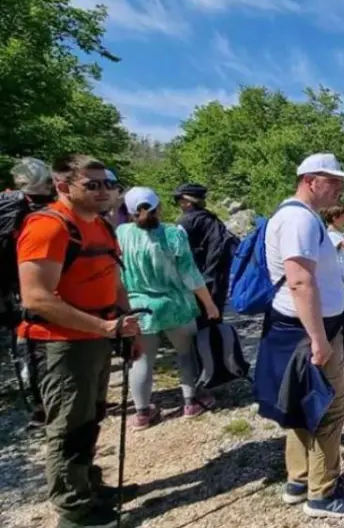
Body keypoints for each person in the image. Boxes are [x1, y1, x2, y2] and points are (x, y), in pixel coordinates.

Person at [16, 154, 142, 528]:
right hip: (60, 344)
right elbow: (36, 297)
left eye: (108, 183)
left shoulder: (102, 228)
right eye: (93, 184)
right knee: (69, 428)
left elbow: (114, 282)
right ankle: (74, 513)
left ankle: (87, 486)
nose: (104, 191)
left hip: (96, 338)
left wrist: (126, 325)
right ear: (63, 186)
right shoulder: (48, 227)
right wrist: (103, 328)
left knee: (90, 418)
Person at [258, 152, 344, 518]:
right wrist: (320, 339)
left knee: (303, 400)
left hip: (302, 328)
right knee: (329, 406)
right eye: (332, 180)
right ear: (310, 180)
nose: (339, 187)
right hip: (310, 331)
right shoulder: (298, 220)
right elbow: (301, 281)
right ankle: (322, 494)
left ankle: (299, 479)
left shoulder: (296, 216)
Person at [116, 187, 219, 430]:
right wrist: (209, 303)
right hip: (176, 306)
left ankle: (142, 413)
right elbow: (191, 275)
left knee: (141, 360)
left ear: (128, 212)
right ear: (159, 207)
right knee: (186, 353)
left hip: (138, 308)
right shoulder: (173, 234)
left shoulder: (121, 233)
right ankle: (191, 402)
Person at [2, 157, 56, 429]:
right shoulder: (41, 210)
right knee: (43, 346)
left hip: (11, 289)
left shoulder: (5, 203)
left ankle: (38, 407)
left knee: (26, 346)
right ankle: (49, 405)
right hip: (37, 286)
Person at [173, 183, 238, 328]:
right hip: (218, 276)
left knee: (199, 324)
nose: (178, 204)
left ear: (188, 202)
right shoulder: (211, 218)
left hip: (199, 279)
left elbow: (176, 252)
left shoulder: (186, 222)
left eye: (178, 200)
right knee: (215, 320)